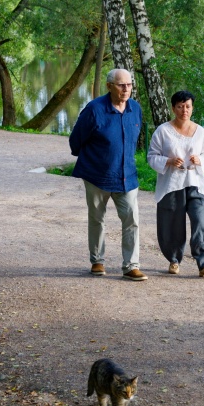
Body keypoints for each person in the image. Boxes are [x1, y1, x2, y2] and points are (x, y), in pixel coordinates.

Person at [69, 68, 146, 281]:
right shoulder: (94, 110)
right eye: (121, 85)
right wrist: (95, 159)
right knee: (97, 219)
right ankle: (97, 261)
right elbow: (75, 141)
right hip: (96, 176)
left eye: (129, 85)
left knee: (131, 219)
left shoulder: (135, 109)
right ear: (109, 86)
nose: (126, 89)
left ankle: (131, 266)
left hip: (127, 176)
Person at [147, 90, 204, 277]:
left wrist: (199, 160)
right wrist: (168, 161)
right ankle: (174, 260)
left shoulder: (200, 132)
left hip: (196, 183)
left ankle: (203, 263)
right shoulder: (163, 131)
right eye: (180, 106)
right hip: (172, 184)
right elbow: (151, 157)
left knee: (202, 220)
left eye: (187, 106)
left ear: (192, 108)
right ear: (173, 108)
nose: (184, 110)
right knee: (171, 222)